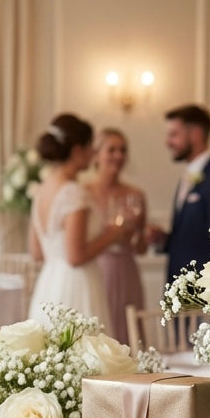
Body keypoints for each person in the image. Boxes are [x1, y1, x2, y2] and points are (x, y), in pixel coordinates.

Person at [28, 113, 137, 330]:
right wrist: (113, 234)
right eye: (91, 148)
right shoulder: (73, 192)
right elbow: (75, 257)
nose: (93, 153)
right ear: (78, 151)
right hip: (77, 284)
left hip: (49, 283)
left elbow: (37, 252)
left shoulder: (42, 189)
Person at [153, 104, 210, 285]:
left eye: (174, 134)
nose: (168, 142)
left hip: (201, 291)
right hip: (180, 287)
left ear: (195, 134)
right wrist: (164, 239)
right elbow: (191, 238)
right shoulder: (188, 176)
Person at [85, 127, 148, 344]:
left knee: (128, 331)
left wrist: (143, 235)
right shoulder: (84, 192)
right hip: (97, 269)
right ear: (96, 155)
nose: (118, 156)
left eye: (122, 150)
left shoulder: (136, 195)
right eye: (111, 150)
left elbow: (140, 248)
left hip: (127, 271)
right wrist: (110, 235)